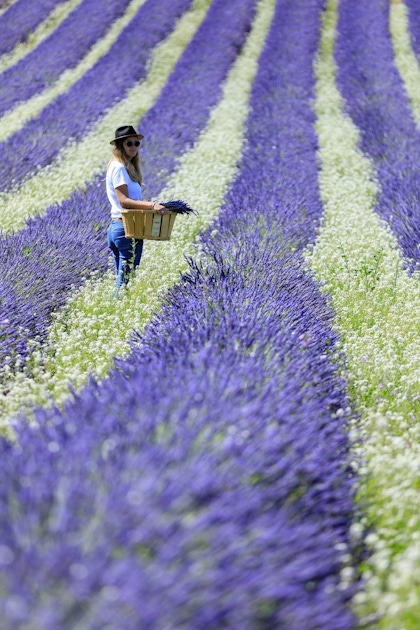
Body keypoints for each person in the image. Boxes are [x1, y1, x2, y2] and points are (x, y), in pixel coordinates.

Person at [106, 125, 168, 288]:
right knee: (125, 282)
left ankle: (117, 306)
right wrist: (152, 205)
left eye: (136, 143)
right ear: (120, 146)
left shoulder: (124, 167)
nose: (134, 147)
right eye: (129, 144)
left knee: (122, 280)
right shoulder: (119, 167)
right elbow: (124, 201)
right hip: (126, 229)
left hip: (120, 227)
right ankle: (118, 307)